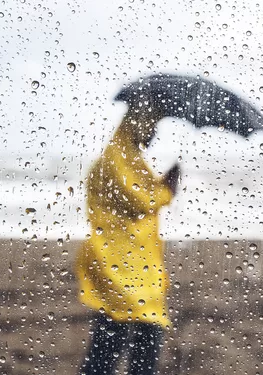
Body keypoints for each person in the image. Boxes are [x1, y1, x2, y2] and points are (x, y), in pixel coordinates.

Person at [75, 105, 180, 375]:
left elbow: (138, 194)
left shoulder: (128, 157)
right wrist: (167, 189)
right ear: (137, 123)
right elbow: (140, 200)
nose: (154, 131)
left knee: (121, 330)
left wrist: (162, 185)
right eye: (150, 124)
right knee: (135, 328)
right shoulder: (117, 158)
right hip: (118, 261)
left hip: (134, 260)